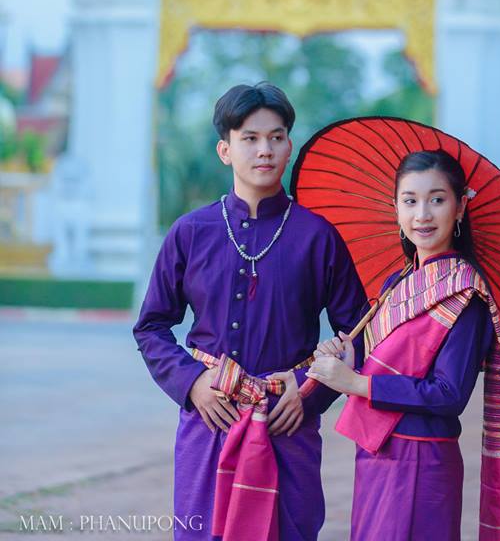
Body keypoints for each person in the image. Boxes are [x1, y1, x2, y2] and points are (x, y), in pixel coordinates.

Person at [133, 82, 367, 541]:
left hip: (288, 424)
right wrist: (192, 384)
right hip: (208, 422)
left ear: (289, 145)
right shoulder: (190, 232)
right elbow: (152, 328)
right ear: (225, 149)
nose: (265, 150)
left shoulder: (318, 237)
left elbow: (358, 334)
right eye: (250, 138)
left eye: (276, 137)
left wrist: (308, 393)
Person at [306, 149, 500, 541]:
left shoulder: (465, 294)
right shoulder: (394, 285)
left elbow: (449, 394)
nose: (423, 214)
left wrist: (356, 384)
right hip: (375, 451)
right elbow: (385, 363)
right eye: (410, 201)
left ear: (459, 208)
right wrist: (351, 360)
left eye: (437, 199)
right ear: (396, 209)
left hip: (424, 458)